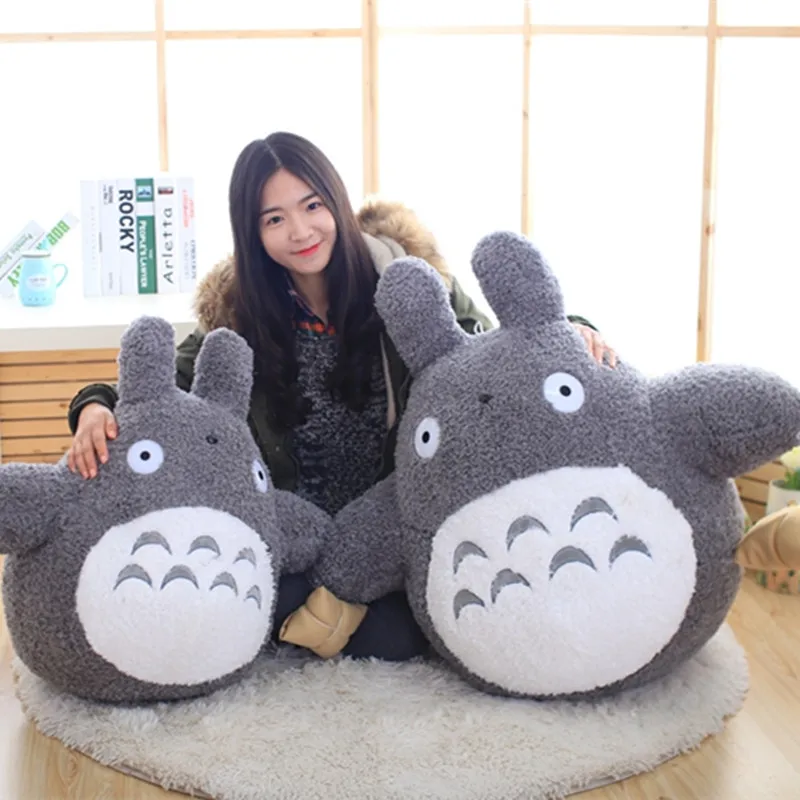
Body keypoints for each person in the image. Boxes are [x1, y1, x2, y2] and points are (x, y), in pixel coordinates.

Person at [66, 131, 616, 661]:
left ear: (336, 200)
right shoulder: (239, 312)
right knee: (249, 598)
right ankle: (322, 609)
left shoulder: (409, 280)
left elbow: (494, 349)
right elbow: (167, 381)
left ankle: (330, 616)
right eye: (274, 219)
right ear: (253, 233)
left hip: (395, 522)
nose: (300, 231)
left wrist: (571, 330)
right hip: (295, 530)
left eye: (312, 206)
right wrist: (95, 405)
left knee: (401, 636)